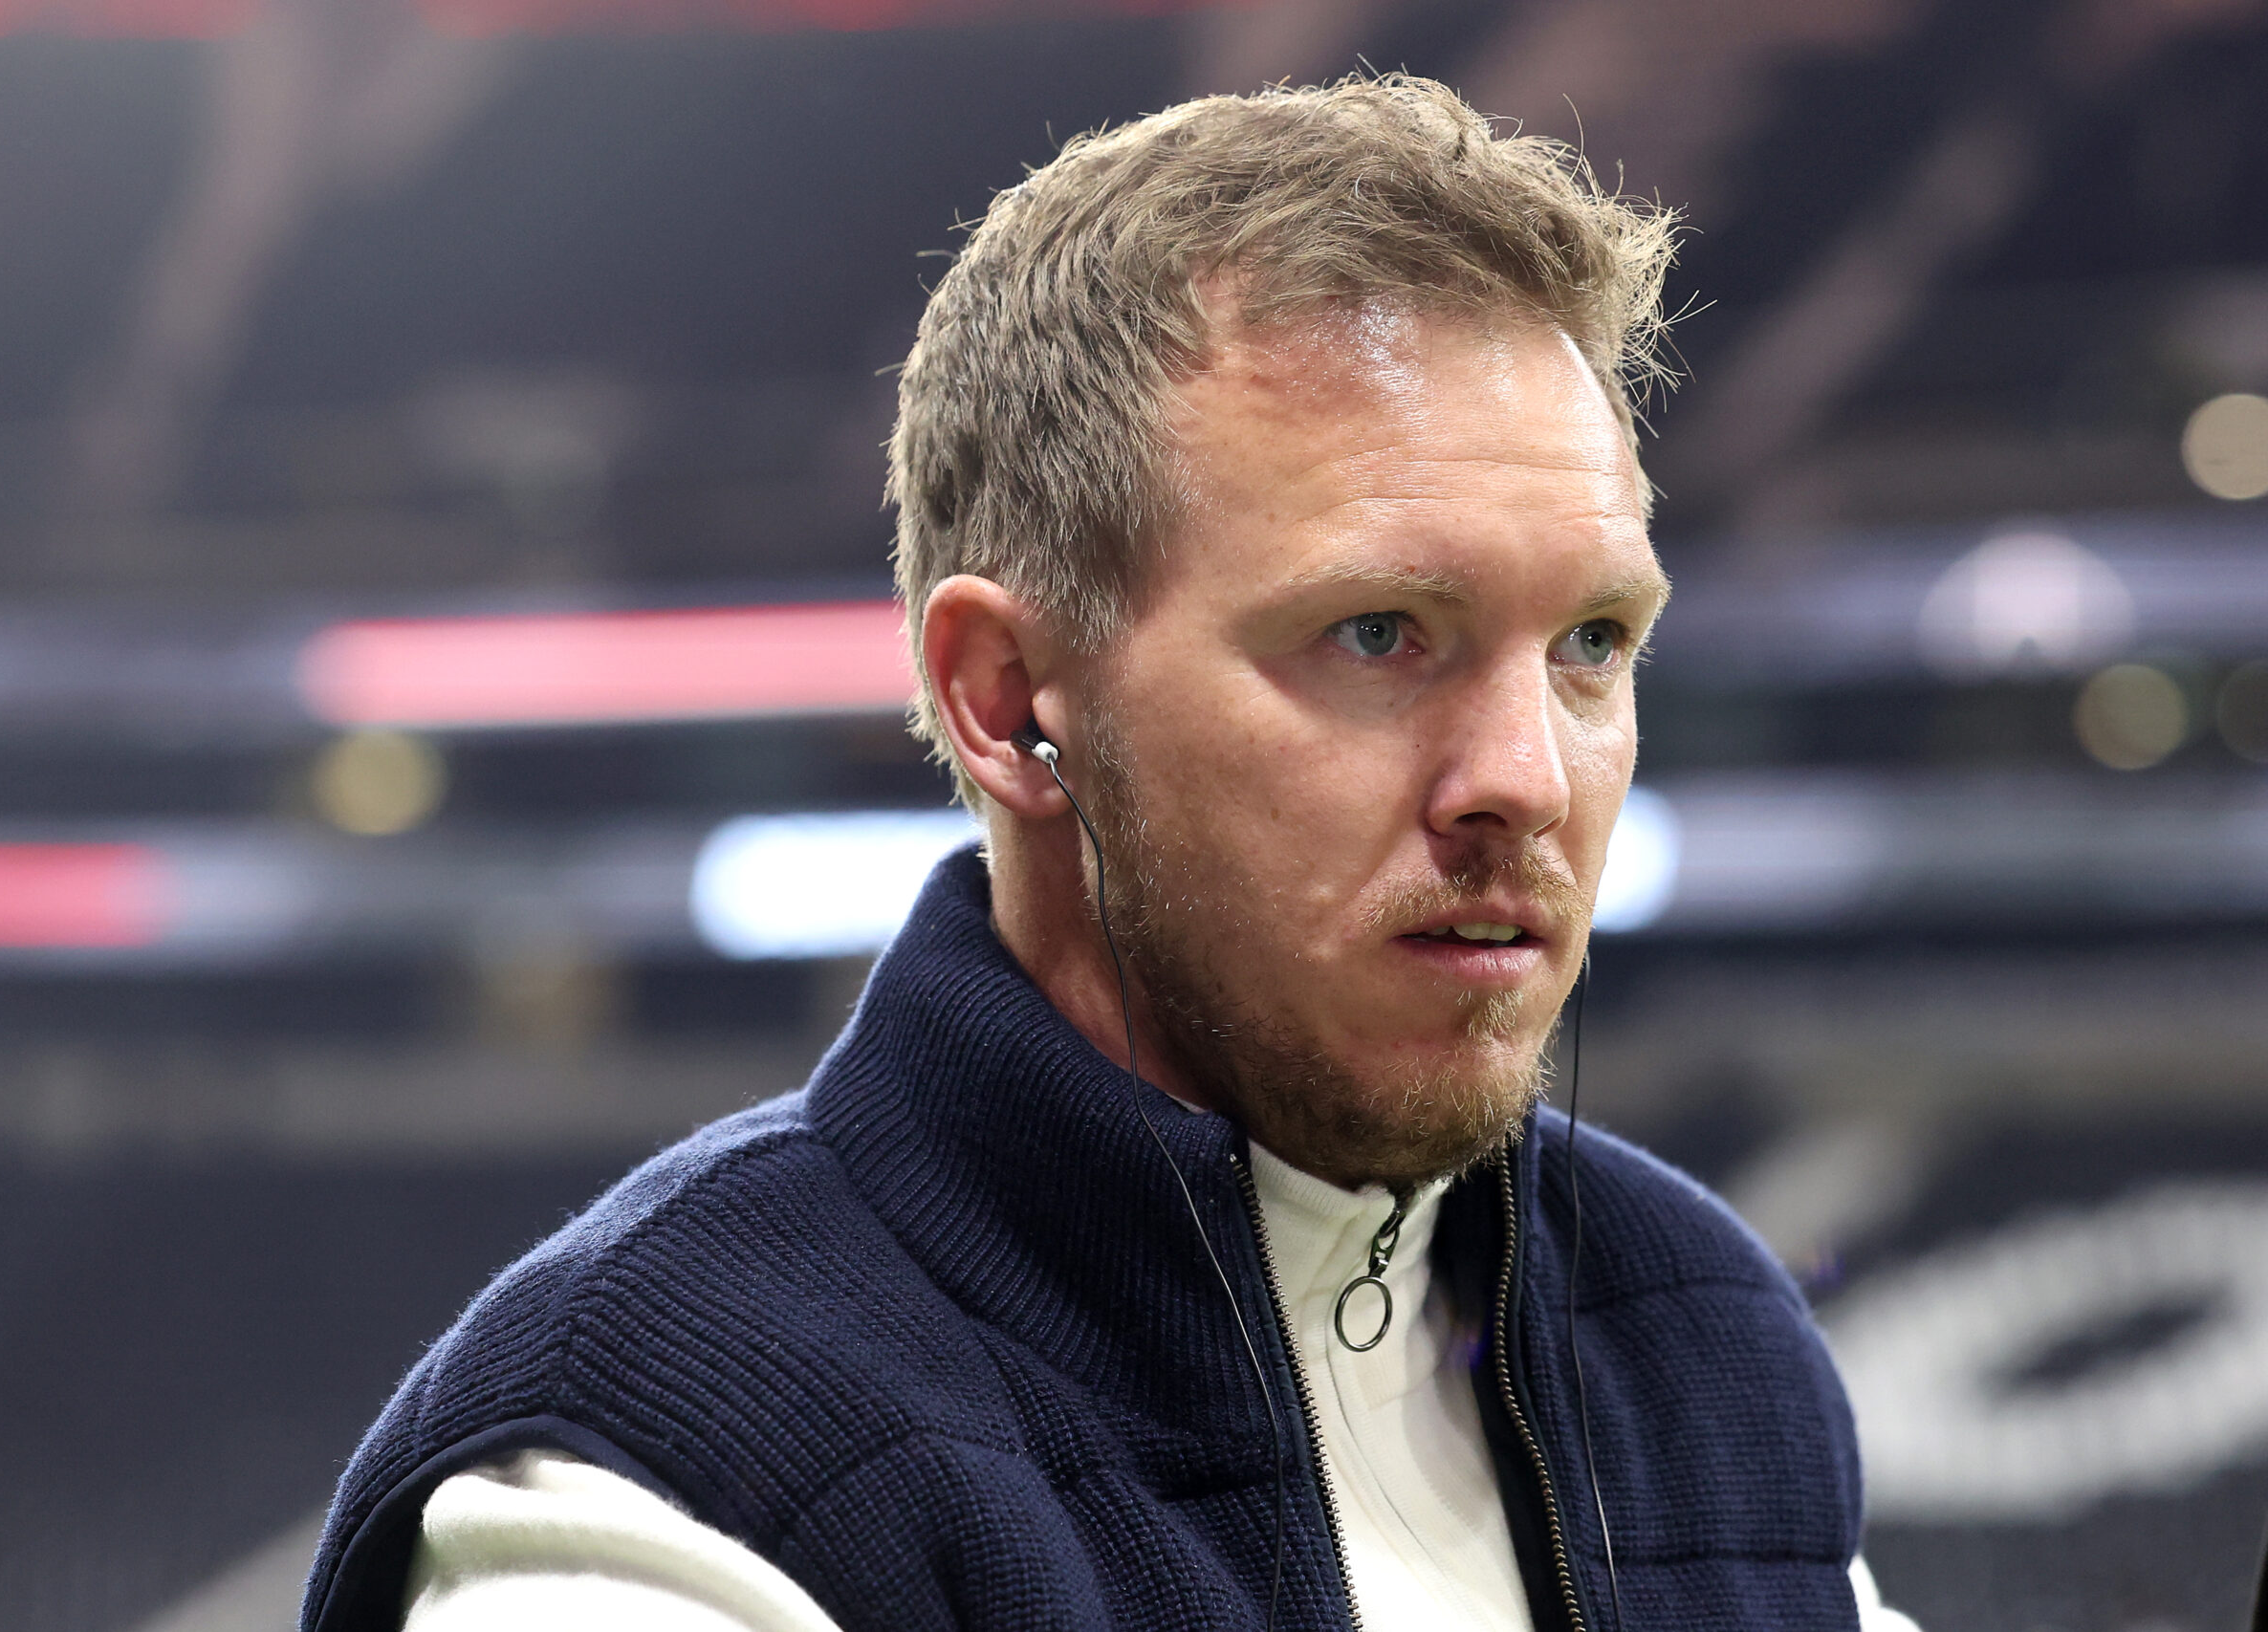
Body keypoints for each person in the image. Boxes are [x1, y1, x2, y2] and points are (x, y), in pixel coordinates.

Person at [302, 76, 1918, 1631]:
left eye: (1590, 641)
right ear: (1008, 706)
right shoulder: (651, 1488)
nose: (1525, 779)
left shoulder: (1702, 1343)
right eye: (1377, 634)